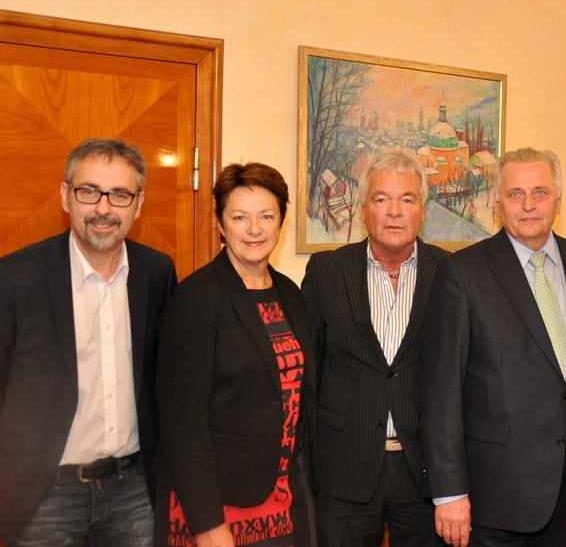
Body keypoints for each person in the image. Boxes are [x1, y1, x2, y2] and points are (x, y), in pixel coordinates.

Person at [420, 147, 566, 547]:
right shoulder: (462, 272)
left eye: (540, 192)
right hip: (492, 496)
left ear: (559, 200)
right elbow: (441, 392)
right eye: (515, 194)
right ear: (496, 203)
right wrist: (450, 493)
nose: (528, 205)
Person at [0, 138, 177, 546]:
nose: (103, 208)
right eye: (88, 191)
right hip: (44, 495)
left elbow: (162, 378)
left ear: (138, 203)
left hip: (133, 489)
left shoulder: (156, 272)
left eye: (119, 194)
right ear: (66, 196)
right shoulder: (15, 278)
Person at [154, 163, 315, 547]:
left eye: (266, 216)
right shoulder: (196, 300)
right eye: (240, 217)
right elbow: (182, 424)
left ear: (281, 222)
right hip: (216, 507)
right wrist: (209, 524)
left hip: (282, 499)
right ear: (221, 226)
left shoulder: (289, 294)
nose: (255, 229)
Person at [301, 148, 447, 546]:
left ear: (422, 210)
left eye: (407, 199)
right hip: (343, 469)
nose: (394, 212)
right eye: (381, 199)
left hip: (424, 474)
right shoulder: (326, 271)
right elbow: (307, 374)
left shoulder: (452, 274)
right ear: (364, 209)